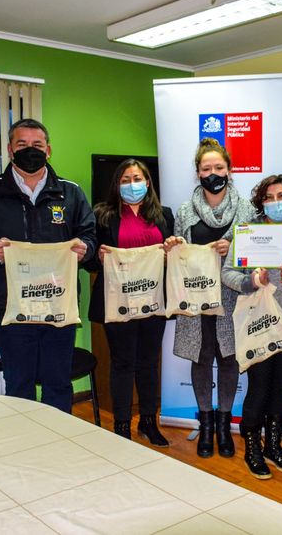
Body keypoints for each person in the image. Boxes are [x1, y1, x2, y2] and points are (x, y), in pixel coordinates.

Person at [0, 119, 97, 413]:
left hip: (58, 308)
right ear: (10, 150)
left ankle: (57, 444)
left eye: (37, 145)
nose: (30, 150)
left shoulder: (70, 192)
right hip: (13, 309)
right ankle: (24, 449)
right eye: (22, 144)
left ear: (48, 150)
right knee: (19, 385)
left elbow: (90, 236)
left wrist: (85, 249)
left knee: (58, 384)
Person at [171, 137, 255, 458]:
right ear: (198, 173)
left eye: (219, 167)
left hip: (235, 299)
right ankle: (206, 423)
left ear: (230, 170)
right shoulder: (184, 211)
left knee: (230, 358)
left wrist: (232, 249)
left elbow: (255, 257)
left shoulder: (247, 209)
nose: (213, 172)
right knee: (202, 357)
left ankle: (224, 425)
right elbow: (178, 257)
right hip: (197, 299)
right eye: (206, 168)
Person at [222, 174, 282, 479]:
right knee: (259, 385)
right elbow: (227, 272)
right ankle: (252, 446)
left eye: (281, 196)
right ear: (260, 202)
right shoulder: (248, 232)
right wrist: (249, 281)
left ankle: (273, 444)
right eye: (268, 198)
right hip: (258, 321)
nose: (275, 203)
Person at [89, 158, 174, 446]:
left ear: (148, 182)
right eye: (125, 180)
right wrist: (97, 257)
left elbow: (174, 258)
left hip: (153, 301)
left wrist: (171, 253)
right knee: (123, 363)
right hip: (118, 302)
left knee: (149, 363)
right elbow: (89, 257)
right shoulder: (103, 215)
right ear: (117, 184)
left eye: (137, 178)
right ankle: (122, 426)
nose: (132, 184)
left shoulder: (164, 216)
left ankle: (149, 422)